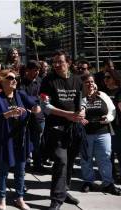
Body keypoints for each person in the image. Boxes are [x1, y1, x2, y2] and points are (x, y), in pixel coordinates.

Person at [40, 50, 85, 210]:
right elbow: (45, 106)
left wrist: (83, 111)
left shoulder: (77, 80)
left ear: (69, 63)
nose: (57, 65)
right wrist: (67, 115)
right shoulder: (48, 80)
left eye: (60, 61)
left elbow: (83, 100)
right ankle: (56, 200)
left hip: (74, 129)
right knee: (61, 161)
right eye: (55, 62)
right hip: (56, 128)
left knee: (70, 162)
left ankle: (64, 191)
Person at [0, 70, 40, 210]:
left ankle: (19, 198)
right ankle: (2, 199)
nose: (15, 80)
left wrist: (35, 108)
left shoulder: (20, 94)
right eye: (11, 78)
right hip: (5, 139)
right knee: (3, 172)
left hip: (21, 139)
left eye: (16, 78)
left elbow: (35, 104)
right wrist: (10, 113)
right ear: (2, 80)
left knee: (20, 171)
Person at [79, 74, 121, 195]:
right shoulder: (80, 97)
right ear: (82, 85)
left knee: (105, 158)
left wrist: (108, 118)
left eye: (91, 81)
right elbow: (75, 112)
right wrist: (80, 119)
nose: (90, 84)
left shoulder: (102, 95)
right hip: (86, 133)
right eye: (87, 82)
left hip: (103, 132)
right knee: (86, 158)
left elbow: (112, 110)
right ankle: (88, 181)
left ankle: (108, 183)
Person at [19, 60, 46, 172]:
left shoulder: (41, 81)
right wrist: (36, 101)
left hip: (39, 116)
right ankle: (23, 164)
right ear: (28, 70)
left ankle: (38, 164)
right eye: (34, 70)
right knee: (25, 141)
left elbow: (44, 96)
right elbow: (22, 96)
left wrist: (37, 101)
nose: (37, 72)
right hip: (26, 116)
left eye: (38, 70)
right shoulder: (21, 83)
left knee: (38, 141)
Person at [103, 69, 121, 183]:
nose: (105, 80)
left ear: (115, 78)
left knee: (119, 152)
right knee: (108, 153)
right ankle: (112, 175)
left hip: (118, 126)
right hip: (105, 127)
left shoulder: (120, 91)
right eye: (104, 77)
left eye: (108, 77)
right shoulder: (102, 92)